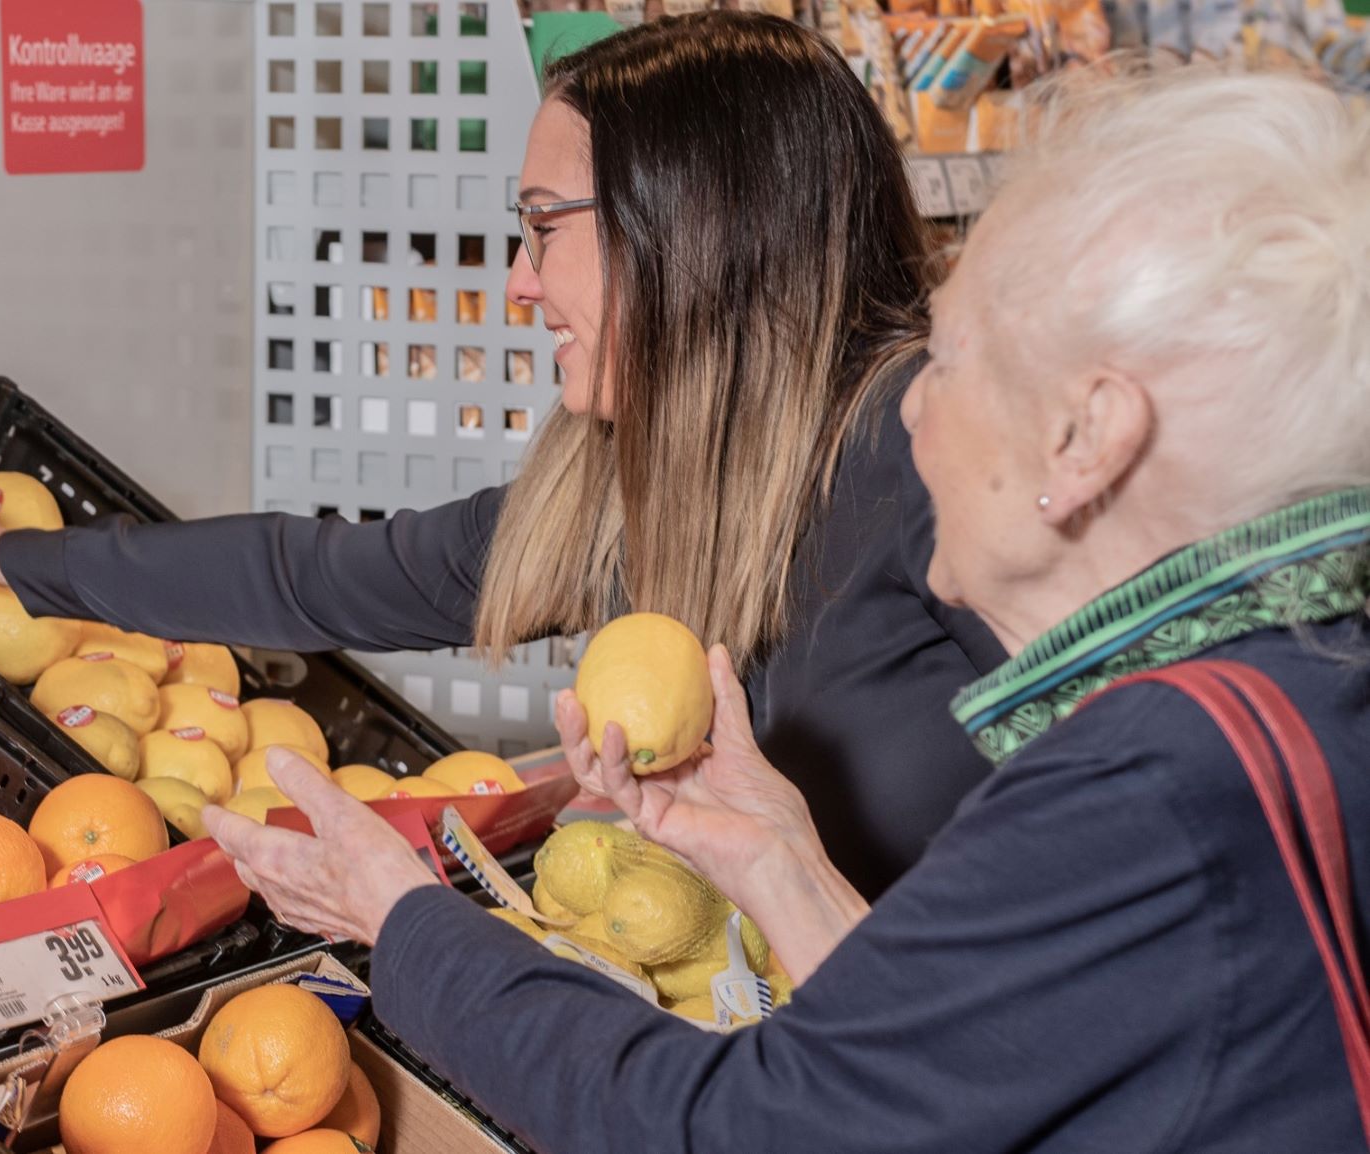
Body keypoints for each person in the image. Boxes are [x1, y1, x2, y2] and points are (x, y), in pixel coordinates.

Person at [204, 65, 1370, 1152]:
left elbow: (744, 1132)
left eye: (950, 360)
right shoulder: (1280, 692)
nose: (911, 415)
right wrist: (780, 864)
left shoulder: (1148, 784)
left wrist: (401, 918)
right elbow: (947, 1076)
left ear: (1085, 436)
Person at [0, 12, 1003, 899]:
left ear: (697, 225)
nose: (515, 282)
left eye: (544, 227)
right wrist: (2, 553)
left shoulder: (938, 463)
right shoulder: (631, 487)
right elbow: (314, 574)